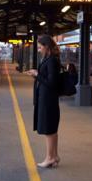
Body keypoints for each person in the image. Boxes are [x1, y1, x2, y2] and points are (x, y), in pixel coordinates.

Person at [25, 35, 61, 168]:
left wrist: (36, 75)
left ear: (46, 47)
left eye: (40, 47)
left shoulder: (51, 61)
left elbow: (52, 83)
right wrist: (37, 72)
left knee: (49, 130)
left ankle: (50, 158)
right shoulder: (49, 59)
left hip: (48, 100)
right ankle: (55, 156)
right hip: (47, 99)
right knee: (51, 129)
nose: (39, 50)